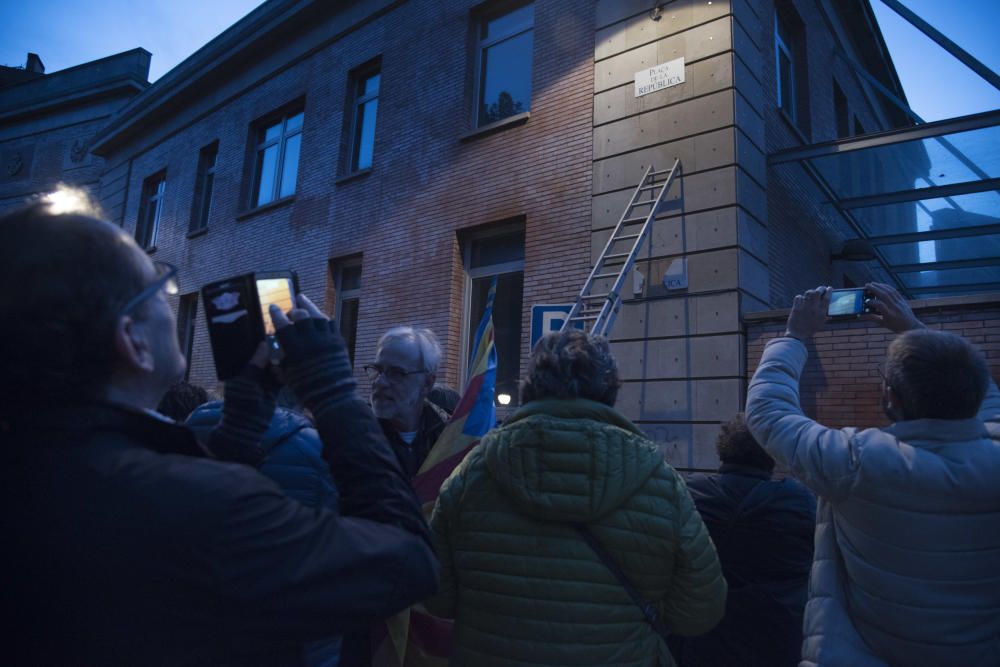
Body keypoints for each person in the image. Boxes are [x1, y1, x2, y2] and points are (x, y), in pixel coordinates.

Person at [0, 190, 438, 666]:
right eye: (161, 291)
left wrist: (241, 428)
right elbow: (408, 561)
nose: (174, 309)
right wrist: (331, 389)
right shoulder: (199, 505)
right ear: (133, 341)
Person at [426, 329, 727, 666]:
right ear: (610, 390)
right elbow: (701, 610)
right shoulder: (660, 483)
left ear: (530, 387)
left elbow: (436, 596)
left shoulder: (471, 475)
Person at [746, 282, 1000, 667]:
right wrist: (913, 328)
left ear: (890, 398)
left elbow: (768, 412)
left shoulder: (857, 463)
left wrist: (794, 335)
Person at [668, 414, 816, 667]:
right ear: (770, 454)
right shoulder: (798, 502)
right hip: (778, 639)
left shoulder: (688, 494)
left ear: (722, 450)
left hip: (703, 640)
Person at [365, 327, 450, 478]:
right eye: (377, 369)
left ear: (427, 383)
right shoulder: (355, 434)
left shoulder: (450, 438)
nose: (380, 382)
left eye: (396, 373)